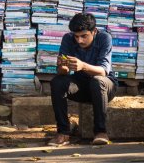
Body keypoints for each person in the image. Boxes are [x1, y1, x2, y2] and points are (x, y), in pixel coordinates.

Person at [48, 12, 119, 146]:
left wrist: (82, 66)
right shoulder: (68, 39)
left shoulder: (104, 38)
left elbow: (103, 71)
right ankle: (63, 132)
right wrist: (62, 67)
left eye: (84, 36)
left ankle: (100, 132)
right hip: (81, 85)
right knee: (57, 82)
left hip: (105, 86)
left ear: (94, 31)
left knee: (97, 81)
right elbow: (62, 72)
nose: (79, 40)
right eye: (76, 36)